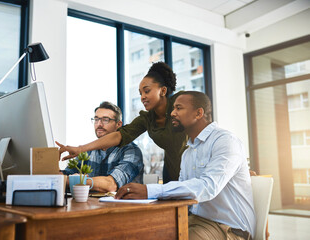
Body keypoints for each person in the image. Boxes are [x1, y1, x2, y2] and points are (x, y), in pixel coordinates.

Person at [115, 91, 256, 240]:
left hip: (229, 229)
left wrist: (150, 190)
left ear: (198, 113)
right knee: (143, 231)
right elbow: (182, 193)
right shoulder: (188, 153)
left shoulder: (225, 141)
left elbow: (208, 187)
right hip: (195, 220)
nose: (172, 114)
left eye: (178, 108)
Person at [58, 62, 188, 183]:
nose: (142, 97)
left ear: (163, 91)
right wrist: (80, 149)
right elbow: (121, 135)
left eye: (147, 91)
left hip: (195, 166)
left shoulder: (181, 103)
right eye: (140, 93)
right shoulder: (146, 118)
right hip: (173, 171)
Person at [57, 101, 143, 193]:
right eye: (96, 119)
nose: (99, 124)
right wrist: (53, 172)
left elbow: (111, 185)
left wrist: (70, 180)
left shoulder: (131, 151)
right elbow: (67, 174)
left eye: (105, 120)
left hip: (123, 206)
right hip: (92, 205)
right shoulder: (88, 151)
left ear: (118, 124)